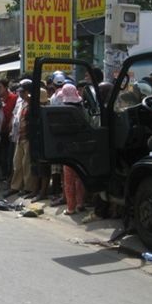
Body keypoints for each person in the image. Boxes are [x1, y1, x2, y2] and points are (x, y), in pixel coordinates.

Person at [58, 84, 87, 216]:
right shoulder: (82, 109)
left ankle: (71, 207)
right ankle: (80, 204)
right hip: (82, 146)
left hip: (68, 147)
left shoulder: (64, 111)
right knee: (79, 177)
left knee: (68, 179)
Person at [6, 79, 34, 197]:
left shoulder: (33, 104)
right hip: (19, 136)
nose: (20, 94)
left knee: (26, 164)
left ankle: (28, 187)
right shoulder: (21, 102)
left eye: (22, 92)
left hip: (28, 138)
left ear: (28, 92)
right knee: (17, 163)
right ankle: (16, 186)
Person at [0, 78, 17, 182]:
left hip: (9, 131)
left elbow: (15, 113)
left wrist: (10, 123)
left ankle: (8, 175)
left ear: (6, 87)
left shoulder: (14, 98)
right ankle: (2, 174)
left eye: (0, 87)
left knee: (8, 155)